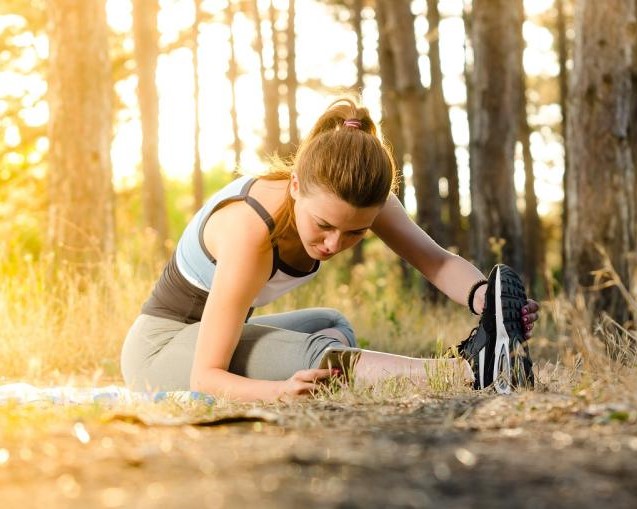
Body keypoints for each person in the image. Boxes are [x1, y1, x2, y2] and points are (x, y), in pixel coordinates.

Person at [121, 98, 540, 401]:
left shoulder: (358, 198)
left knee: (333, 324)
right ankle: (467, 372)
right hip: (159, 352)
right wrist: (277, 391)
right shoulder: (250, 231)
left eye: (355, 233)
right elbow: (205, 376)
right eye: (323, 225)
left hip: (213, 336)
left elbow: (437, 261)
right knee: (321, 357)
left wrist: (489, 302)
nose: (334, 244)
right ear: (296, 187)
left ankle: (486, 358)